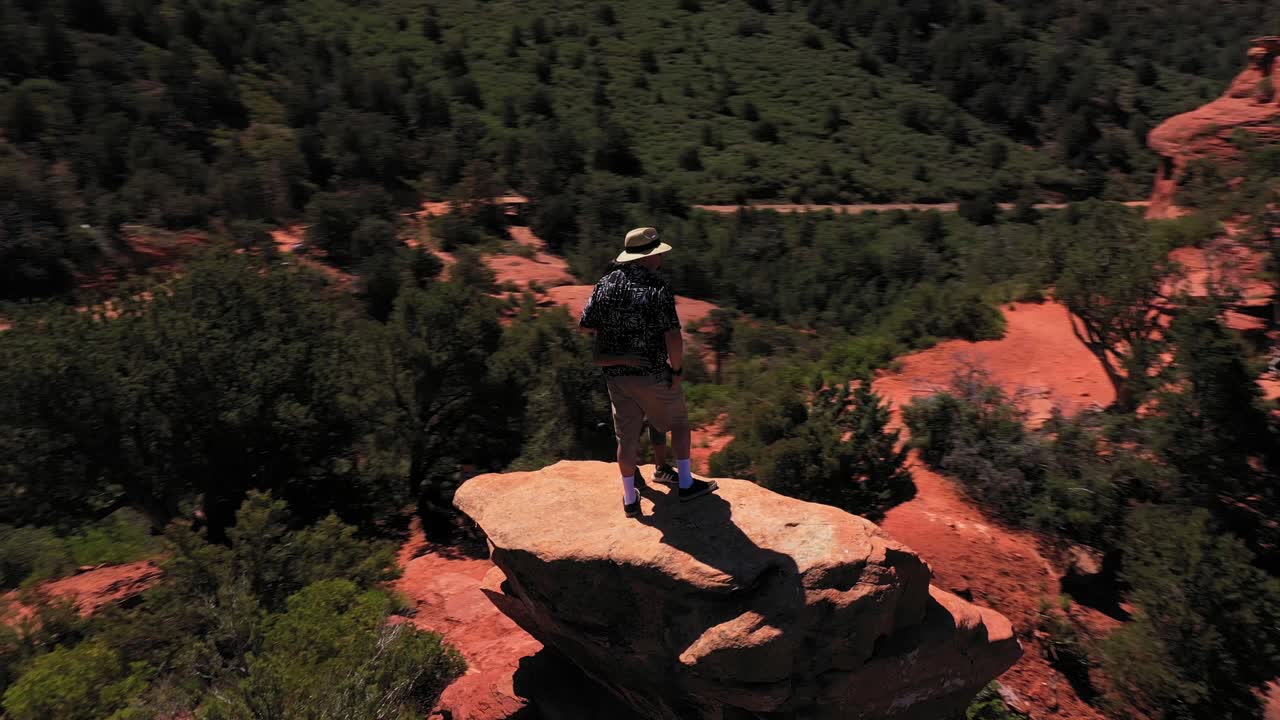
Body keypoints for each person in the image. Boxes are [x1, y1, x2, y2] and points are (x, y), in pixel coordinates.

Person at [579, 226, 717, 517]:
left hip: (616, 375)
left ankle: (630, 499)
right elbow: (673, 336)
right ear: (647, 257)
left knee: (626, 438)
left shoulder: (605, 284)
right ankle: (686, 484)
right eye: (658, 254)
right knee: (679, 423)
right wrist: (677, 370)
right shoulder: (657, 287)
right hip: (651, 372)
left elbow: (585, 325)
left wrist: (618, 338)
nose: (661, 259)